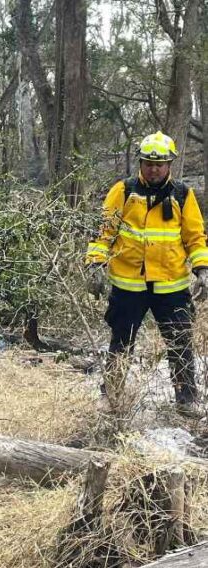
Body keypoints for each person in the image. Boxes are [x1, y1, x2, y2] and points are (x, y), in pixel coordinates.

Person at [86, 131, 208, 417]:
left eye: (160, 164)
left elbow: (195, 237)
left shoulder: (182, 194)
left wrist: (203, 270)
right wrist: (95, 265)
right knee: (121, 342)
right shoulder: (124, 191)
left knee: (180, 343)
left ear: (170, 165)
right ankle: (112, 396)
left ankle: (187, 398)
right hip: (129, 286)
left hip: (171, 286)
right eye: (149, 163)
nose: (154, 169)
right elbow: (104, 233)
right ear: (140, 163)